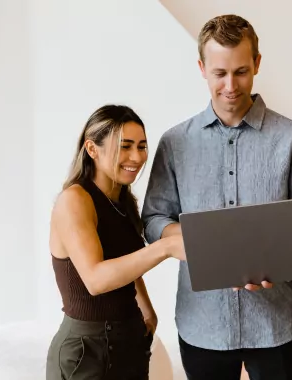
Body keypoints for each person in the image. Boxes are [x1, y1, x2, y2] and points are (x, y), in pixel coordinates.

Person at [141, 14, 292, 380]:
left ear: (256, 64)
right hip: (202, 323)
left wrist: (281, 263)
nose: (230, 85)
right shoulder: (175, 142)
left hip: (275, 323)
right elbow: (153, 219)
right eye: (219, 73)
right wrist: (195, 244)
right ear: (202, 68)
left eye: (240, 71)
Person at [45, 105, 186, 380]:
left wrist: (146, 309)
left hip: (129, 339)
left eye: (142, 146)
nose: (137, 157)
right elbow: (96, 279)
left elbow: (123, 261)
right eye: (125, 146)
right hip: (86, 352)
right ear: (92, 148)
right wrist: (165, 247)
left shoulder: (123, 201)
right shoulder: (75, 200)